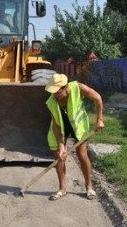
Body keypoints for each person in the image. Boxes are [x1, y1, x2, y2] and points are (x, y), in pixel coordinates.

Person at [44, 73, 104, 201]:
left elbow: (97, 98)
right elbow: (55, 124)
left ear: (65, 87)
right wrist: (61, 146)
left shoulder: (78, 87)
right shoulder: (51, 101)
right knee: (59, 156)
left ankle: (89, 186)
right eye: (53, 92)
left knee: (82, 155)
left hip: (78, 125)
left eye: (57, 92)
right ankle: (62, 188)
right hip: (61, 127)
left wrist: (99, 119)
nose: (55, 95)